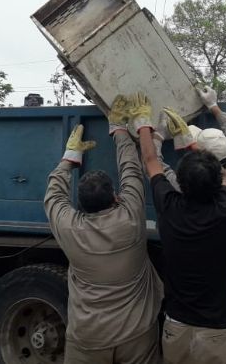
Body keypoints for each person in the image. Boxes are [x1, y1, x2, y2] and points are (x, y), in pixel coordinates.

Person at [43, 95, 163, 364]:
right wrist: (119, 129)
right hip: (137, 335)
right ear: (116, 197)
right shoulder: (131, 217)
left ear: (79, 206)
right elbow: (131, 169)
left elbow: (53, 196)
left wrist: (69, 158)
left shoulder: (69, 227)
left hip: (88, 339)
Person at [130, 93, 226, 364]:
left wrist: (144, 123)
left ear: (178, 181)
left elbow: (150, 160)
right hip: (217, 331)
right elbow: (223, 174)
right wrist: (193, 145)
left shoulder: (170, 206)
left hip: (176, 327)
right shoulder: (224, 209)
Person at [152, 86, 226, 345]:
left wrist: (158, 135)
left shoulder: (181, 188)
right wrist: (214, 106)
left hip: (189, 311)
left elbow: (155, 165)